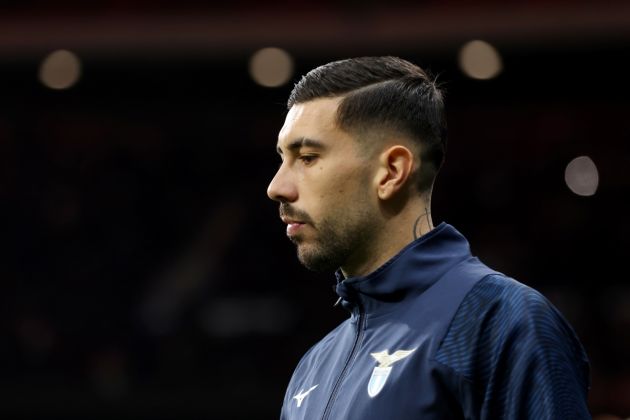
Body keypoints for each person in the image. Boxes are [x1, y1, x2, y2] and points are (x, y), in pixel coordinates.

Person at [267, 56, 591, 419]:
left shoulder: (500, 324)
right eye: (282, 158)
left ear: (391, 171)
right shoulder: (313, 368)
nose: (277, 187)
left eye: (307, 157)